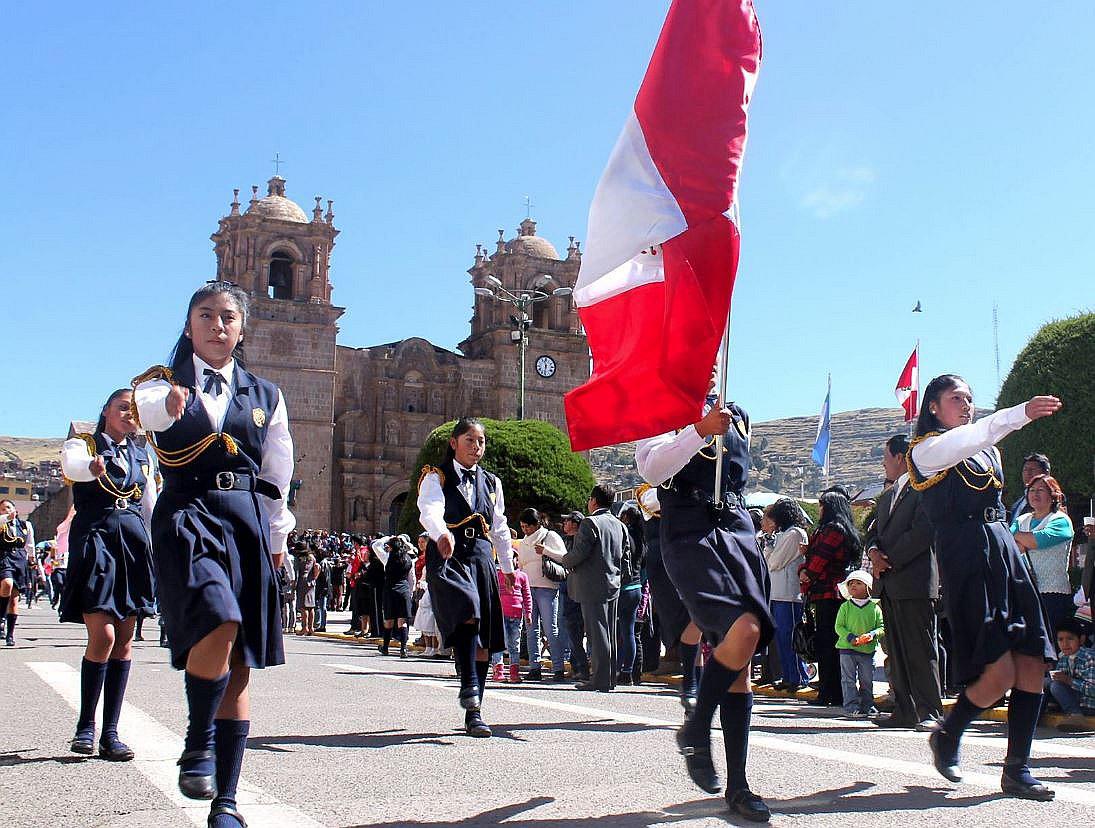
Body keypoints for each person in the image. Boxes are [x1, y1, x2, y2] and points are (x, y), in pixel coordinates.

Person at [133, 280, 295, 827]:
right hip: (188, 514)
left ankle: (226, 801)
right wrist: (167, 401)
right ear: (189, 325)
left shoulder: (266, 395)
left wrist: (277, 538)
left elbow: (278, 473)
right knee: (220, 618)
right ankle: (197, 741)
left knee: (240, 666)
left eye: (228, 316)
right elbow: (147, 411)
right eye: (206, 315)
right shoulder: (161, 385)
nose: (218, 325)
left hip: (245, 520)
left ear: (242, 328)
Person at [908, 373, 1060, 801]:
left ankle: (1017, 769)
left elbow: (981, 437)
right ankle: (949, 733)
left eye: (970, 398)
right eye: (956, 398)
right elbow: (977, 434)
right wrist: (1020, 413)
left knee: (1032, 660)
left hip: (1004, 551)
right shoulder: (929, 449)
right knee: (999, 672)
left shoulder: (986, 450)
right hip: (967, 557)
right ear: (933, 407)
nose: (966, 403)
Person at [636, 382, 774, 823]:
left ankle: (738, 784)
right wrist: (697, 430)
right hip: (690, 530)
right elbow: (651, 469)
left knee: (741, 663)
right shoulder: (660, 407)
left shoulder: (738, 411)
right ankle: (697, 728)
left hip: (736, 528)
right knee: (744, 630)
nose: (710, 362)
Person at [59, 388, 158, 760]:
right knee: (102, 635)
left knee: (125, 639)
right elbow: (73, 468)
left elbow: (150, 502)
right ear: (105, 411)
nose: (129, 413)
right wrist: (91, 468)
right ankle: (86, 725)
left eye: (133, 409)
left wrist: (160, 541)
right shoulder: (83, 444)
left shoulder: (141, 452)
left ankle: (110, 733)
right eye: (122, 407)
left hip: (132, 541)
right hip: (98, 537)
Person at [417, 418, 514, 738]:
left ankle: (475, 711)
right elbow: (429, 509)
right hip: (449, 555)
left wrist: (509, 568)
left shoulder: (492, 483)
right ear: (454, 442)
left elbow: (499, 527)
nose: (477, 447)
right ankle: (468, 678)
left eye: (481, 442)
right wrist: (441, 533)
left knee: (484, 638)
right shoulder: (436, 477)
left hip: (481, 556)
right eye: (470, 440)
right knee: (468, 609)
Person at [865, 434, 942, 731]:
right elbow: (873, 532)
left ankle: (930, 711)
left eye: (885, 457)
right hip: (889, 584)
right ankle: (905, 708)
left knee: (920, 649)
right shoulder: (888, 497)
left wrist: (889, 560)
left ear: (900, 457)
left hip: (913, 582)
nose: (883, 463)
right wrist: (874, 552)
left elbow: (922, 533)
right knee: (896, 651)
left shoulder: (925, 491)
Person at [538, 486, 626, 694]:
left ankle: (600, 680)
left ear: (594, 501)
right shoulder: (619, 524)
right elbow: (625, 555)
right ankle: (609, 677)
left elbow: (577, 555)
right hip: (613, 583)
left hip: (592, 584)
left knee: (597, 633)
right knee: (610, 633)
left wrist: (559, 557)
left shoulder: (590, 522)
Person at [799, 489, 862, 707]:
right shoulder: (843, 529)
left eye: (822, 505)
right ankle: (833, 690)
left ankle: (829, 691)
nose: (820, 509)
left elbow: (818, 560)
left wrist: (805, 571)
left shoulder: (832, 530)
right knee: (834, 643)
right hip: (835, 592)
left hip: (827, 592)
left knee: (828, 642)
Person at [1011, 474, 1075, 638]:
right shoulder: (1021, 519)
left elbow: (1039, 540)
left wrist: (1020, 538)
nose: (1035, 494)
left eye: (1041, 490)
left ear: (1053, 496)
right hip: (1026, 592)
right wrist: (1022, 539)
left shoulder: (1060, 520)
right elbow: (1008, 544)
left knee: (1052, 644)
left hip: (1054, 594)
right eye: (1032, 490)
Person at [762, 498, 810, 693]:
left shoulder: (795, 534)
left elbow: (775, 562)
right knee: (781, 638)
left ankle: (798, 676)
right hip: (777, 593)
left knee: (791, 637)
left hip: (789, 595)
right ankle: (787, 675)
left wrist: (771, 554)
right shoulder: (782, 535)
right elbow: (767, 559)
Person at [514, 508, 567, 682]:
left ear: (536, 524)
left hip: (547, 587)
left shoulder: (550, 536)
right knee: (531, 629)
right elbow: (521, 565)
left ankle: (558, 668)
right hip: (528, 588)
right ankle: (534, 666)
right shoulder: (523, 542)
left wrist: (545, 551)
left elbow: (564, 557)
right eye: (522, 527)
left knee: (551, 629)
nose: (524, 530)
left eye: (527, 526)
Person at [834, 570, 884, 718]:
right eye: (851, 583)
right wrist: (850, 637)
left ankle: (867, 705)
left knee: (867, 680)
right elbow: (839, 626)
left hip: (868, 650)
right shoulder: (845, 607)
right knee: (848, 679)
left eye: (858, 583)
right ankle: (851, 706)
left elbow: (882, 627)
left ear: (868, 587)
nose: (853, 586)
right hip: (846, 649)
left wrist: (871, 635)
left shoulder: (875, 608)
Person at [616, 504, 646, 686]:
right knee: (629, 633)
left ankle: (617, 668)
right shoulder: (642, 539)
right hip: (636, 588)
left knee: (616, 632)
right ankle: (627, 672)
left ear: (626, 518)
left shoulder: (624, 536)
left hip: (623, 587)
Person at [557, 512, 590, 682]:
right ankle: (576, 665)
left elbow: (570, 560)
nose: (565, 523)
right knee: (571, 629)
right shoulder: (565, 539)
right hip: (566, 587)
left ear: (576, 523)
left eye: (568, 520)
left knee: (576, 629)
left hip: (578, 590)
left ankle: (582, 667)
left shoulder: (581, 540)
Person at [1046, 618, 1095, 730]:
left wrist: (1069, 680)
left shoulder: (1089, 657)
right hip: (1077, 702)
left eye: (1070, 639)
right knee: (1047, 682)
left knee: (1056, 686)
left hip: (1090, 704)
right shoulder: (1063, 658)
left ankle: (1075, 716)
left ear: (1081, 639)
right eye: (1060, 640)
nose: (1065, 644)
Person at [493, 550, 533, 682]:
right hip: (500, 614)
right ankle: (498, 671)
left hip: (516, 615)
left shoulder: (522, 576)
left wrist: (528, 613)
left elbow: (527, 596)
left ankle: (514, 672)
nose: (510, 561)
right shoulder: (497, 575)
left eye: (513, 558)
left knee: (514, 645)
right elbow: (493, 595)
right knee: (499, 643)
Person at [0, 499, 34, 647]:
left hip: (20, 559)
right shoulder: (1, 523)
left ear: (15, 509)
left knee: (14, 599)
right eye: (2, 509)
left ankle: (10, 634)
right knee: (6, 584)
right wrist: (6, 517)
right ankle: (1, 618)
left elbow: (30, 544)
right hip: (4, 557)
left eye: (8, 507)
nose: (5, 510)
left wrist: (32, 559)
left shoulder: (25, 525)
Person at [377, 534, 416, 658]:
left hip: (390, 589)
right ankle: (403, 648)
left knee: (388, 620)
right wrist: (410, 592)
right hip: (404, 590)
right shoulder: (409, 559)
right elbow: (412, 578)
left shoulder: (387, 557)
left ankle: (386, 647)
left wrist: (387, 538)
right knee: (402, 621)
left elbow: (375, 545)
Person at [412, 533, 442, 657]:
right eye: (419, 542)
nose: (420, 545)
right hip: (423, 589)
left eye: (423, 542)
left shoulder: (431, 557)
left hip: (431, 588)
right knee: (424, 620)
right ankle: (428, 647)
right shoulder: (422, 557)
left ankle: (434, 648)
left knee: (431, 619)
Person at [1008, 453, 1051, 523]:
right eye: (1025, 470)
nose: (1028, 473)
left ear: (1046, 472)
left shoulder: (1052, 498)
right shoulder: (1018, 503)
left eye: (1032, 469)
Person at [50, 507, 74, 611]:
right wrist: (70, 516)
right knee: (59, 584)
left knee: (65, 588)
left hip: (68, 567)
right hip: (58, 567)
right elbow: (61, 528)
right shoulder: (62, 531)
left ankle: (62, 606)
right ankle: (56, 600)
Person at [296, 550, 319, 636]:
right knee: (311, 606)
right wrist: (315, 577)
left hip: (303, 581)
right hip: (311, 582)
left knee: (303, 606)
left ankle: (304, 628)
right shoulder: (312, 558)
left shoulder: (301, 558)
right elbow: (317, 567)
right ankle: (311, 628)